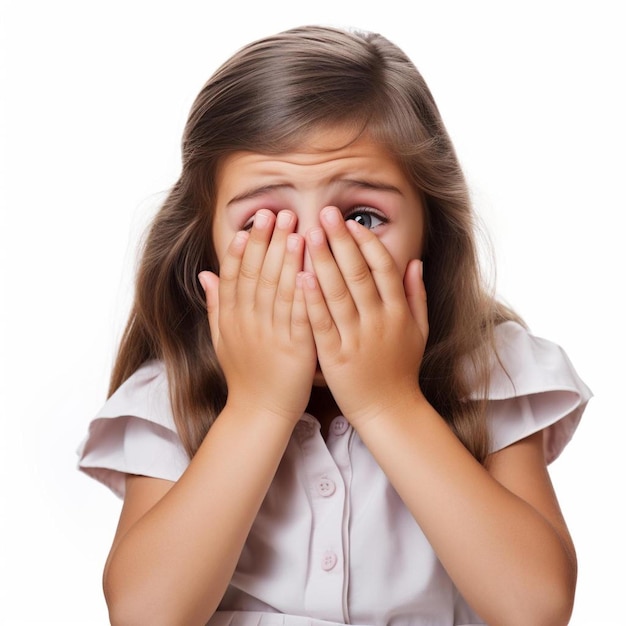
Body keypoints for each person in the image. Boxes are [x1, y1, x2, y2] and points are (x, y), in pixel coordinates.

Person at [77, 25, 591, 626]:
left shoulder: (490, 370)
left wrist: (388, 401)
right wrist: (258, 407)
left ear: (432, 230)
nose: (316, 258)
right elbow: (144, 616)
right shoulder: (175, 388)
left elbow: (536, 609)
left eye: (364, 217)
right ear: (206, 247)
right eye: (266, 223)